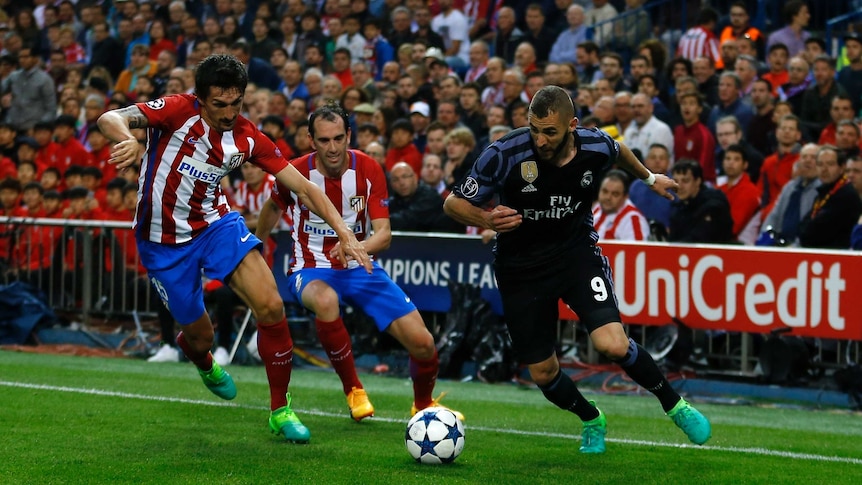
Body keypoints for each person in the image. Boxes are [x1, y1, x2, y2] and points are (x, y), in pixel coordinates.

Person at [97, 55, 371, 444]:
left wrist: (344, 232)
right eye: (219, 105)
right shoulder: (176, 111)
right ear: (200, 98)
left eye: (236, 103)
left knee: (271, 305)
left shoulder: (247, 138)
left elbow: (306, 188)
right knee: (200, 337)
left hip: (216, 225)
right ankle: (203, 360)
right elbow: (111, 116)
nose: (228, 113)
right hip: (163, 241)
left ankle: (280, 410)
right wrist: (125, 138)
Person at [443, 86, 711, 454]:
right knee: (543, 372)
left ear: (572, 125)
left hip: (575, 255)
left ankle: (675, 406)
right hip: (519, 267)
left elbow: (619, 152)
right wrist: (486, 216)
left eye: (550, 132)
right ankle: (591, 418)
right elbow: (453, 202)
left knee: (611, 344)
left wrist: (649, 178)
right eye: (535, 128)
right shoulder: (504, 153)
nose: (540, 139)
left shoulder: (595, 145)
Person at [255, 104, 463, 424]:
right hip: (310, 268)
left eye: (339, 138)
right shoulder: (294, 172)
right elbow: (272, 207)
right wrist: (259, 245)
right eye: (324, 140)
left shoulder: (369, 168)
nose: (333, 147)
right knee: (325, 301)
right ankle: (354, 388)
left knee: (423, 343)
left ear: (349, 135)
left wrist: (354, 247)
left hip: (361, 267)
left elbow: (385, 235)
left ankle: (422, 405)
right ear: (311, 141)